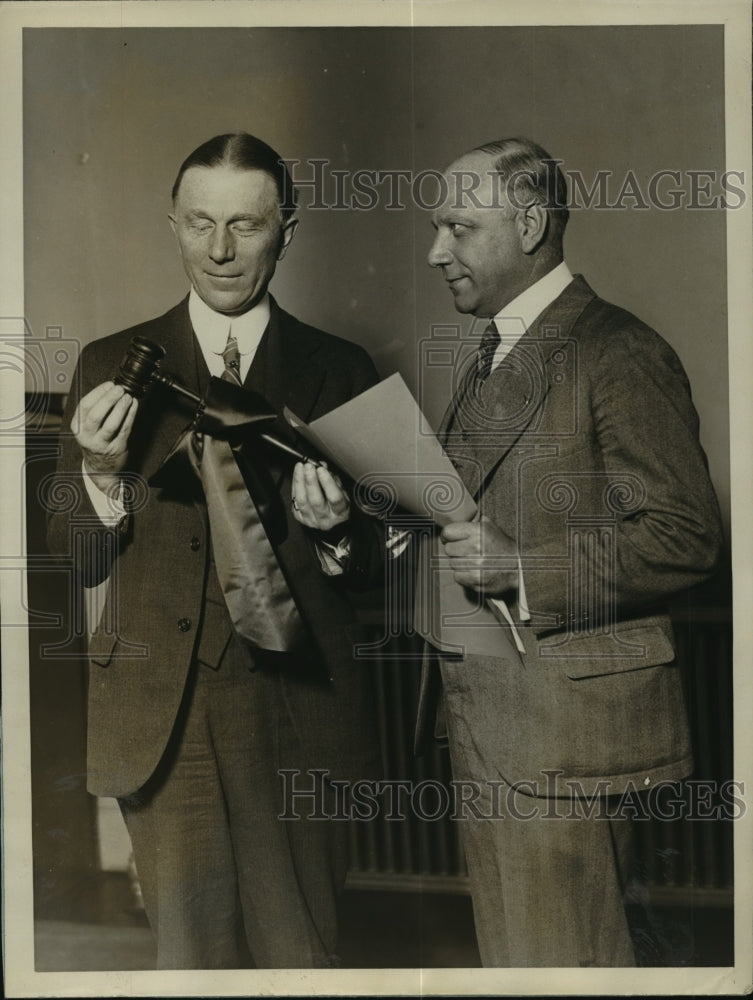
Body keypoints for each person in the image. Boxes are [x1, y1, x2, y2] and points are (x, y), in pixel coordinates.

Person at [46, 132, 381, 970]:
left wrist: (336, 533)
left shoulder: (343, 370)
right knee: (187, 965)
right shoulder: (105, 364)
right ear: (173, 225)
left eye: (245, 225)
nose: (220, 250)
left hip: (299, 714)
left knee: (301, 960)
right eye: (199, 224)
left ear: (287, 231)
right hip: (161, 717)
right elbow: (75, 558)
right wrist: (97, 474)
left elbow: (385, 566)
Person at [411, 137, 723, 966]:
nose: (434, 251)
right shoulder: (493, 354)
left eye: (458, 228)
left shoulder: (618, 350)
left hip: (568, 743)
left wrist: (522, 567)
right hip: (495, 728)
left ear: (529, 225)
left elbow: (686, 535)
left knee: (569, 967)